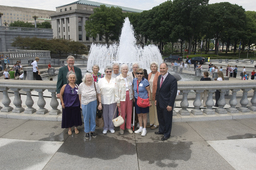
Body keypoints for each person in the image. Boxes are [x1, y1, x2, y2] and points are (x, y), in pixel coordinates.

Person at [155, 63, 177, 141]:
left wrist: (170, 104)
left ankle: (167, 134)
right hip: (159, 102)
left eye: (163, 68)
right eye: (161, 68)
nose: (162, 70)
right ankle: (161, 130)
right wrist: (156, 99)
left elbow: (173, 94)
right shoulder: (159, 77)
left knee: (167, 119)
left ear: (167, 68)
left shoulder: (172, 79)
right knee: (160, 118)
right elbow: (158, 90)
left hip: (167, 103)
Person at [78, 73, 102, 139]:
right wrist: (80, 104)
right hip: (84, 103)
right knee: (86, 118)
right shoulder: (81, 85)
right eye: (87, 78)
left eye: (90, 77)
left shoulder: (95, 84)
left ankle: (92, 131)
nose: (89, 79)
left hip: (93, 102)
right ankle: (86, 132)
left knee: (93, 117)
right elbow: (79, 95)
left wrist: (100, 103)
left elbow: (99, 94)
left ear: (92, 78)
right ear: (85, 79)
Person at [59, 71, 82, 135]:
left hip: (76, 104)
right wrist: (62, 102)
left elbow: (80, 95)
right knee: (68, 117)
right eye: (71, 78)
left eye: (73, 78)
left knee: (76, 117)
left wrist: (80, 103)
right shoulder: (65, 86)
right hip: (67, 104)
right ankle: (69, 129)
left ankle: (76, 128)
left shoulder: (77, 86)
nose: (72, 79)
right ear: (68, 79)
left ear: (75, 79)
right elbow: (60, 95)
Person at [115, 64, 133, 135]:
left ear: (128, 70)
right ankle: (122, 128)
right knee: (121, 113)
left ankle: (128, 127)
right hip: (122, 97)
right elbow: (116, 90)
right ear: (121, 70)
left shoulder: (129, 77)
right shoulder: (118, 78)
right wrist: (118, 100)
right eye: (123, 69)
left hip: (130, 97)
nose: (125, 71)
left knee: (129, 112)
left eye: (126, 69)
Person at [98, 66, 116, 134]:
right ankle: (105, 127)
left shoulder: (115, 79)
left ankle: (111, 127)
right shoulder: (101, 80)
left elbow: (117, 90)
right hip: (104, 100)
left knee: (112, 114)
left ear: (112, 72)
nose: (108, 73)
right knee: (105, 115)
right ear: (105, 72)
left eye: (110, 71)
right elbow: (98, 92)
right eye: (107, 71)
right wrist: (99, 102)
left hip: (112, 99)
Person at [133, 68, 151, 136]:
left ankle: (144, 128)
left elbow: (149, 91)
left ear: (143, 74)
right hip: (137, 99)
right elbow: (133, 89)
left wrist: (149, 100)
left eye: (141, 73)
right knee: (139, 114)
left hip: (144, 100)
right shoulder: (134, 80)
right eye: (138, 73)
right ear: (136, 74)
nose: (139, 75)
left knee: (144, 115)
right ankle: (140, 127)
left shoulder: (145, 81)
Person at [148, 62, 160, 130]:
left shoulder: (159, 74)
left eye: (155, 66)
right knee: (151, 108)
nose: (153, 67)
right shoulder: (149, 74)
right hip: (150, 93)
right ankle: (151, 123)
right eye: (152, 66)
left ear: (157, 68)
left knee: (156, 109)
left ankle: (156, 123)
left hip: (156, 94)